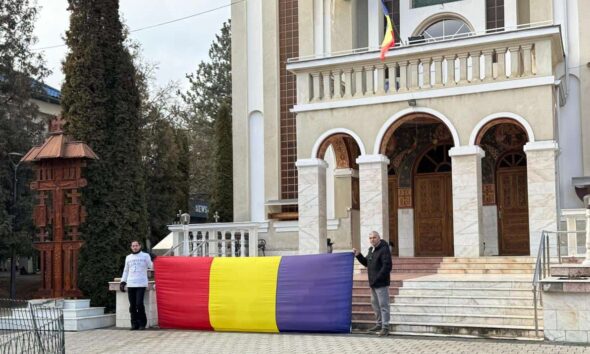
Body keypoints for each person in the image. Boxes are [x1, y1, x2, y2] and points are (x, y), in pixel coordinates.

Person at [353, 231, 392, 337]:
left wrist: (378, 278)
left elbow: (387, 266)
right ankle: (379, 324)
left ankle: (385, 327)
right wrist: (358, 255)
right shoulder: (371, 250)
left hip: (381, 283)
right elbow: (367, 263)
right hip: (373, 283)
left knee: (383, 305)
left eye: (374, 237)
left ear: (379, 238)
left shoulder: (384, 249)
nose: (372, 240)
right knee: (375, 305)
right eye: (370, 238)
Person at [120, 240, 153, 330]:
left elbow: (152, 266)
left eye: (136, 245)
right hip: (130, 284)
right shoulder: (128, 257)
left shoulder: (145, 256)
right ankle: (134, 324)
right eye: (133, 246)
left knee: (139, 304)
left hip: (141, 283)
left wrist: (154, 259)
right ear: (131, 247)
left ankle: (142, 323)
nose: (135, 247)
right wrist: (123, 282)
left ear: (140, 246)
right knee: (132, 305)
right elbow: (126, 270)